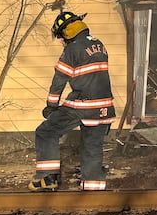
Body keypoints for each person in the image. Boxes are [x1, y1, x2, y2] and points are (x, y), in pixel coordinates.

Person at [31, 10, 115, 191]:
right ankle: (94, 189)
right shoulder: (99, 45)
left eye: (61, 36)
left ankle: (47, 178)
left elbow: (58, 82)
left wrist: (51, 107)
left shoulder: (72, 49)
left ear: (67, 32)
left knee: (46, 132)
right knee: (92, 147)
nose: (61, 41)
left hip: (83, 105)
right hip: (105, 107)